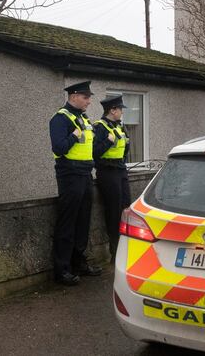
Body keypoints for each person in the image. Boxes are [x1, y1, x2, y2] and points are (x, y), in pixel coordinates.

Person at [49, 81, 103, 286]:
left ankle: (78, 263)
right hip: (69, 174)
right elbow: (59, 148)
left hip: (85, 174)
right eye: (86, 97)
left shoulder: (83, 118)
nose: (89, 101)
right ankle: (62, 270)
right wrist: (74, 135)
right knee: (67, 223)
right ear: (74, 97)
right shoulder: (60, 119)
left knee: (83, 222)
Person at [93, 95, 131, 262]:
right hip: (107, 172)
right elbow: (94, 153)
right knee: (114, 212)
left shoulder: (119, 126)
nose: (122, 112)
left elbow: (124, 149)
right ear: (112, 110)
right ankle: (115, 253)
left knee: (126, 208)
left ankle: (124, 249)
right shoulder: (100, 127)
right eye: (120, 109)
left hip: (120, 170)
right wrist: (108, 142)